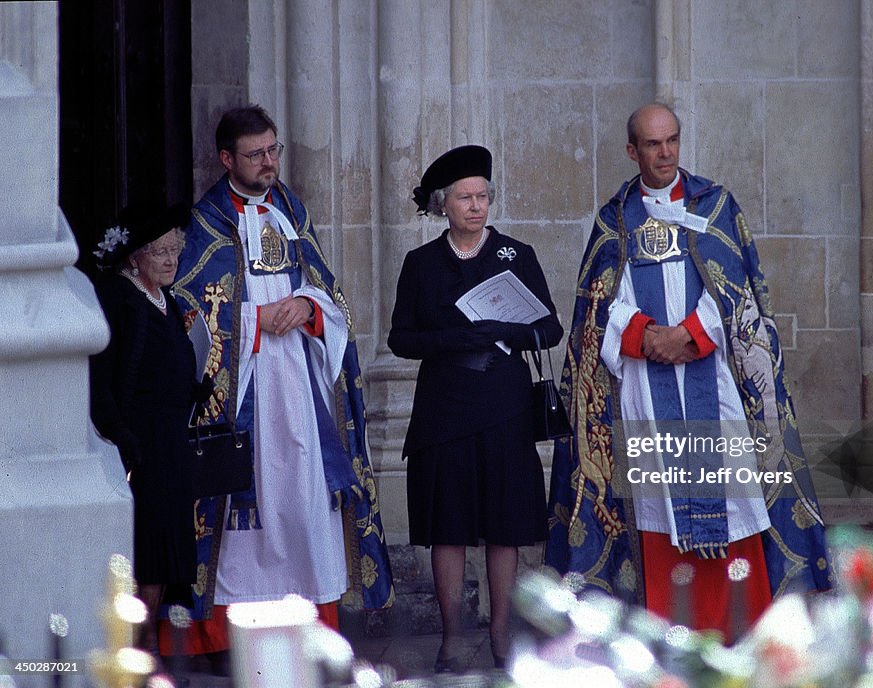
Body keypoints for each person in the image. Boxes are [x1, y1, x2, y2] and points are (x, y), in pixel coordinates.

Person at [545, 103, 831, 639]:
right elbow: (597, 309)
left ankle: (740, 637)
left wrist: (691, 336)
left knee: (734, 502)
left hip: (715, 383)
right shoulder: (615, 219)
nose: (666, 153)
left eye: (672, 140)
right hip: (644, 394)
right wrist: (647, 337)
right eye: (653, 145)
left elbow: (740, 294)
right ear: (632, 151)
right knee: (656, 514)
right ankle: (671, 643)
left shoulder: (715, 205)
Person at [171, 105, 393, 657]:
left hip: (300, 384)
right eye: (256, 154)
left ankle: (316, 630)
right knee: (248, 517)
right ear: (227, 159)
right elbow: (189, 309)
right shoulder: (206, 223)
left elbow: (327, 288)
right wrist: (253, 321)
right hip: (244, 392)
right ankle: (224, 640)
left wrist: (308, 307)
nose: (269, 163)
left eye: (274, 150)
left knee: (306, 502)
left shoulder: (292, 209)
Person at [388, 145, 563, 671]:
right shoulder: (421, 264)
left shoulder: (516, 254)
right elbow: (400, 338)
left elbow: (549, 328)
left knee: (505, 525)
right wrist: (454, 339)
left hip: (505, 407)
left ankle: (502, 635)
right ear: (444, 204)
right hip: (445, 409)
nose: (476, 206)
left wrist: (503, 330)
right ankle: (451, 638)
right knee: (449, 525)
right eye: (465, 197)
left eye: (483, 196)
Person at [89, 202, 203, 653]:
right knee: (148, 559)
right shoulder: (120, 298)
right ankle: (137, 658)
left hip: (170, 443)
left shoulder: (165, 299)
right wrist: (122, 436)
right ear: (135, 256)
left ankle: (153, 655)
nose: (171, 260)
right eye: (160, 252)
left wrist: (195, 389)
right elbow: (103, 380)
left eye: (175, 250)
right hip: (141, 447)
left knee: (168, 559)